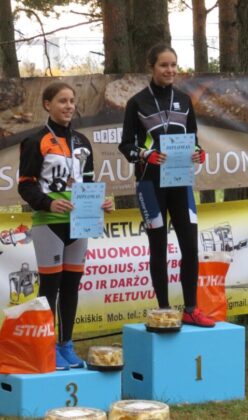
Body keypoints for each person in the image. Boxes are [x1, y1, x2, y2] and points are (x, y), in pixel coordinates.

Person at [18, 82, 113, 370]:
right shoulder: (35, 141)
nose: (69, 106)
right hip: (50, 223)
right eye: (62, 101)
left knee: (71, 287)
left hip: (79, 224)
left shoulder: (82, 142)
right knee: (50, 287)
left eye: (72, 101)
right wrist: (48, 203)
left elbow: (87, 183)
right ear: (47, 104)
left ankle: (66, 344)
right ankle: (45, 346)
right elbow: (26, 186)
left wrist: (100, 202)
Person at [118, 44, 215, 328]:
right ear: (151, 67)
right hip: (150, 184)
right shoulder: (137, 102)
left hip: (180, 183)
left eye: (173, 64)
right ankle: (163, 309)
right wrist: (145, 155)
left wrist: (198, 152)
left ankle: (191, 309)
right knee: (158, 247)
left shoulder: (183, 100)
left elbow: (192, 138)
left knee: (190, 246)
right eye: (164, 65)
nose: (170, 70)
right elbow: (126, 145)